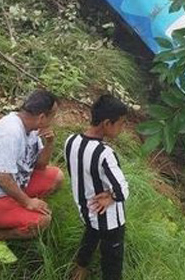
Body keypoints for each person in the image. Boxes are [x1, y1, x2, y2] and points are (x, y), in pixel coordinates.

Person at [0, 89, 63, 264]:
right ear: (41, 117)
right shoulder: (10, 132)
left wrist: (49, 143)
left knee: (56, 177)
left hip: (12, 186)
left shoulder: (31, 128)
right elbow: (1, 177)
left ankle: (15, 212)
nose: (54, 120)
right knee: (42, 221)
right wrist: (28, 202)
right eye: (52, 116)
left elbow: (40, 165)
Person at [64, 94, 131, 280]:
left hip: (86, 209)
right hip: (110, 220)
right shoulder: (104, 154)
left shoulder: (71, 141)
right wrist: (112, 195)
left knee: (92, 233)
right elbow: (122, 190)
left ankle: (80, 268)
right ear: (107, 123)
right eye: (122, 123)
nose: (123, 128)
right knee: (112, 261)